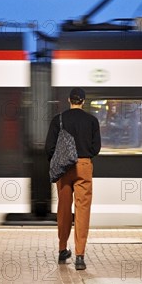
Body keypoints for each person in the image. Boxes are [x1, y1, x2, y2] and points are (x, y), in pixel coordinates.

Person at [45, 88, 101, 271]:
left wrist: (60, 161)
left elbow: (49, 148)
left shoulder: (58, 119)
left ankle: (62, 249)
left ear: (69, 100)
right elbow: (96, 148)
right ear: (83, 101)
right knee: (82, 210)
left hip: (63, 167)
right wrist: (84, 157)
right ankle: (79, 255)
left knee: (63, 209)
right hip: (83, 166)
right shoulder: (92, 121)